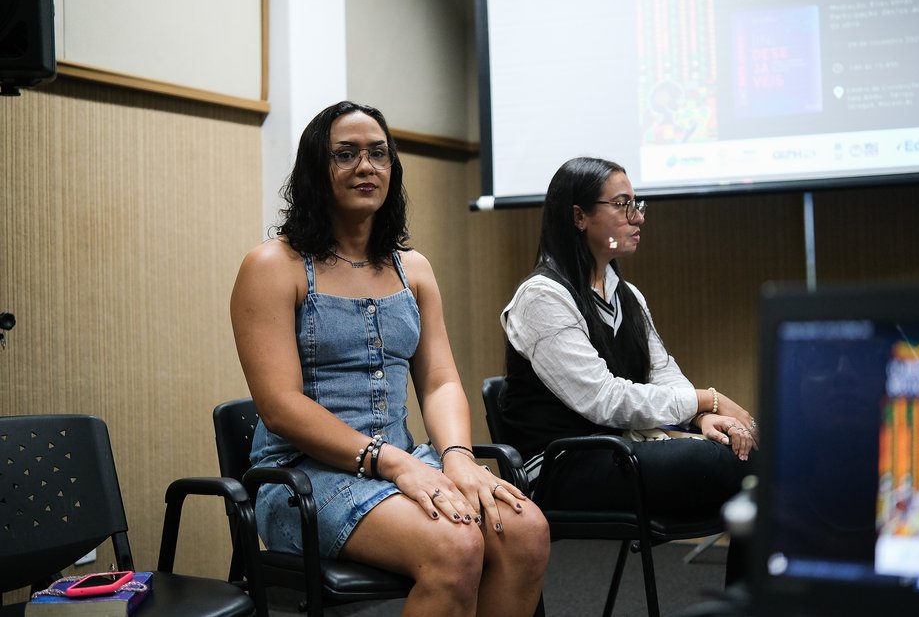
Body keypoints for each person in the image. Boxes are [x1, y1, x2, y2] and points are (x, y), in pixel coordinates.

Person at [230, 101, 549, 616]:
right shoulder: (272, 266)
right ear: (315, 170)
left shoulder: (413, 268)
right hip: (300, 481)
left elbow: (441, 381)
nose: (366, 166)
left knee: (526, 531)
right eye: (346, 154)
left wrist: (457, 458)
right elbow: (280, 406)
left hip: (403, 462)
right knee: (456, 543)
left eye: (378, 154)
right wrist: (394, 463)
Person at [499, 156, 757, 582]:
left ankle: (746, 605)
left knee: (751, 459)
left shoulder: (628, 295)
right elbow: (604, 400)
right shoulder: (541, 297)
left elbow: (664, 372)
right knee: (740, 464)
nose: (638, 218)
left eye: (638, 204)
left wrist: (702, 417)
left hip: (620, 452)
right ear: (579, 217)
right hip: (564, 467)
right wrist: (706, 399)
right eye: (622, 205)